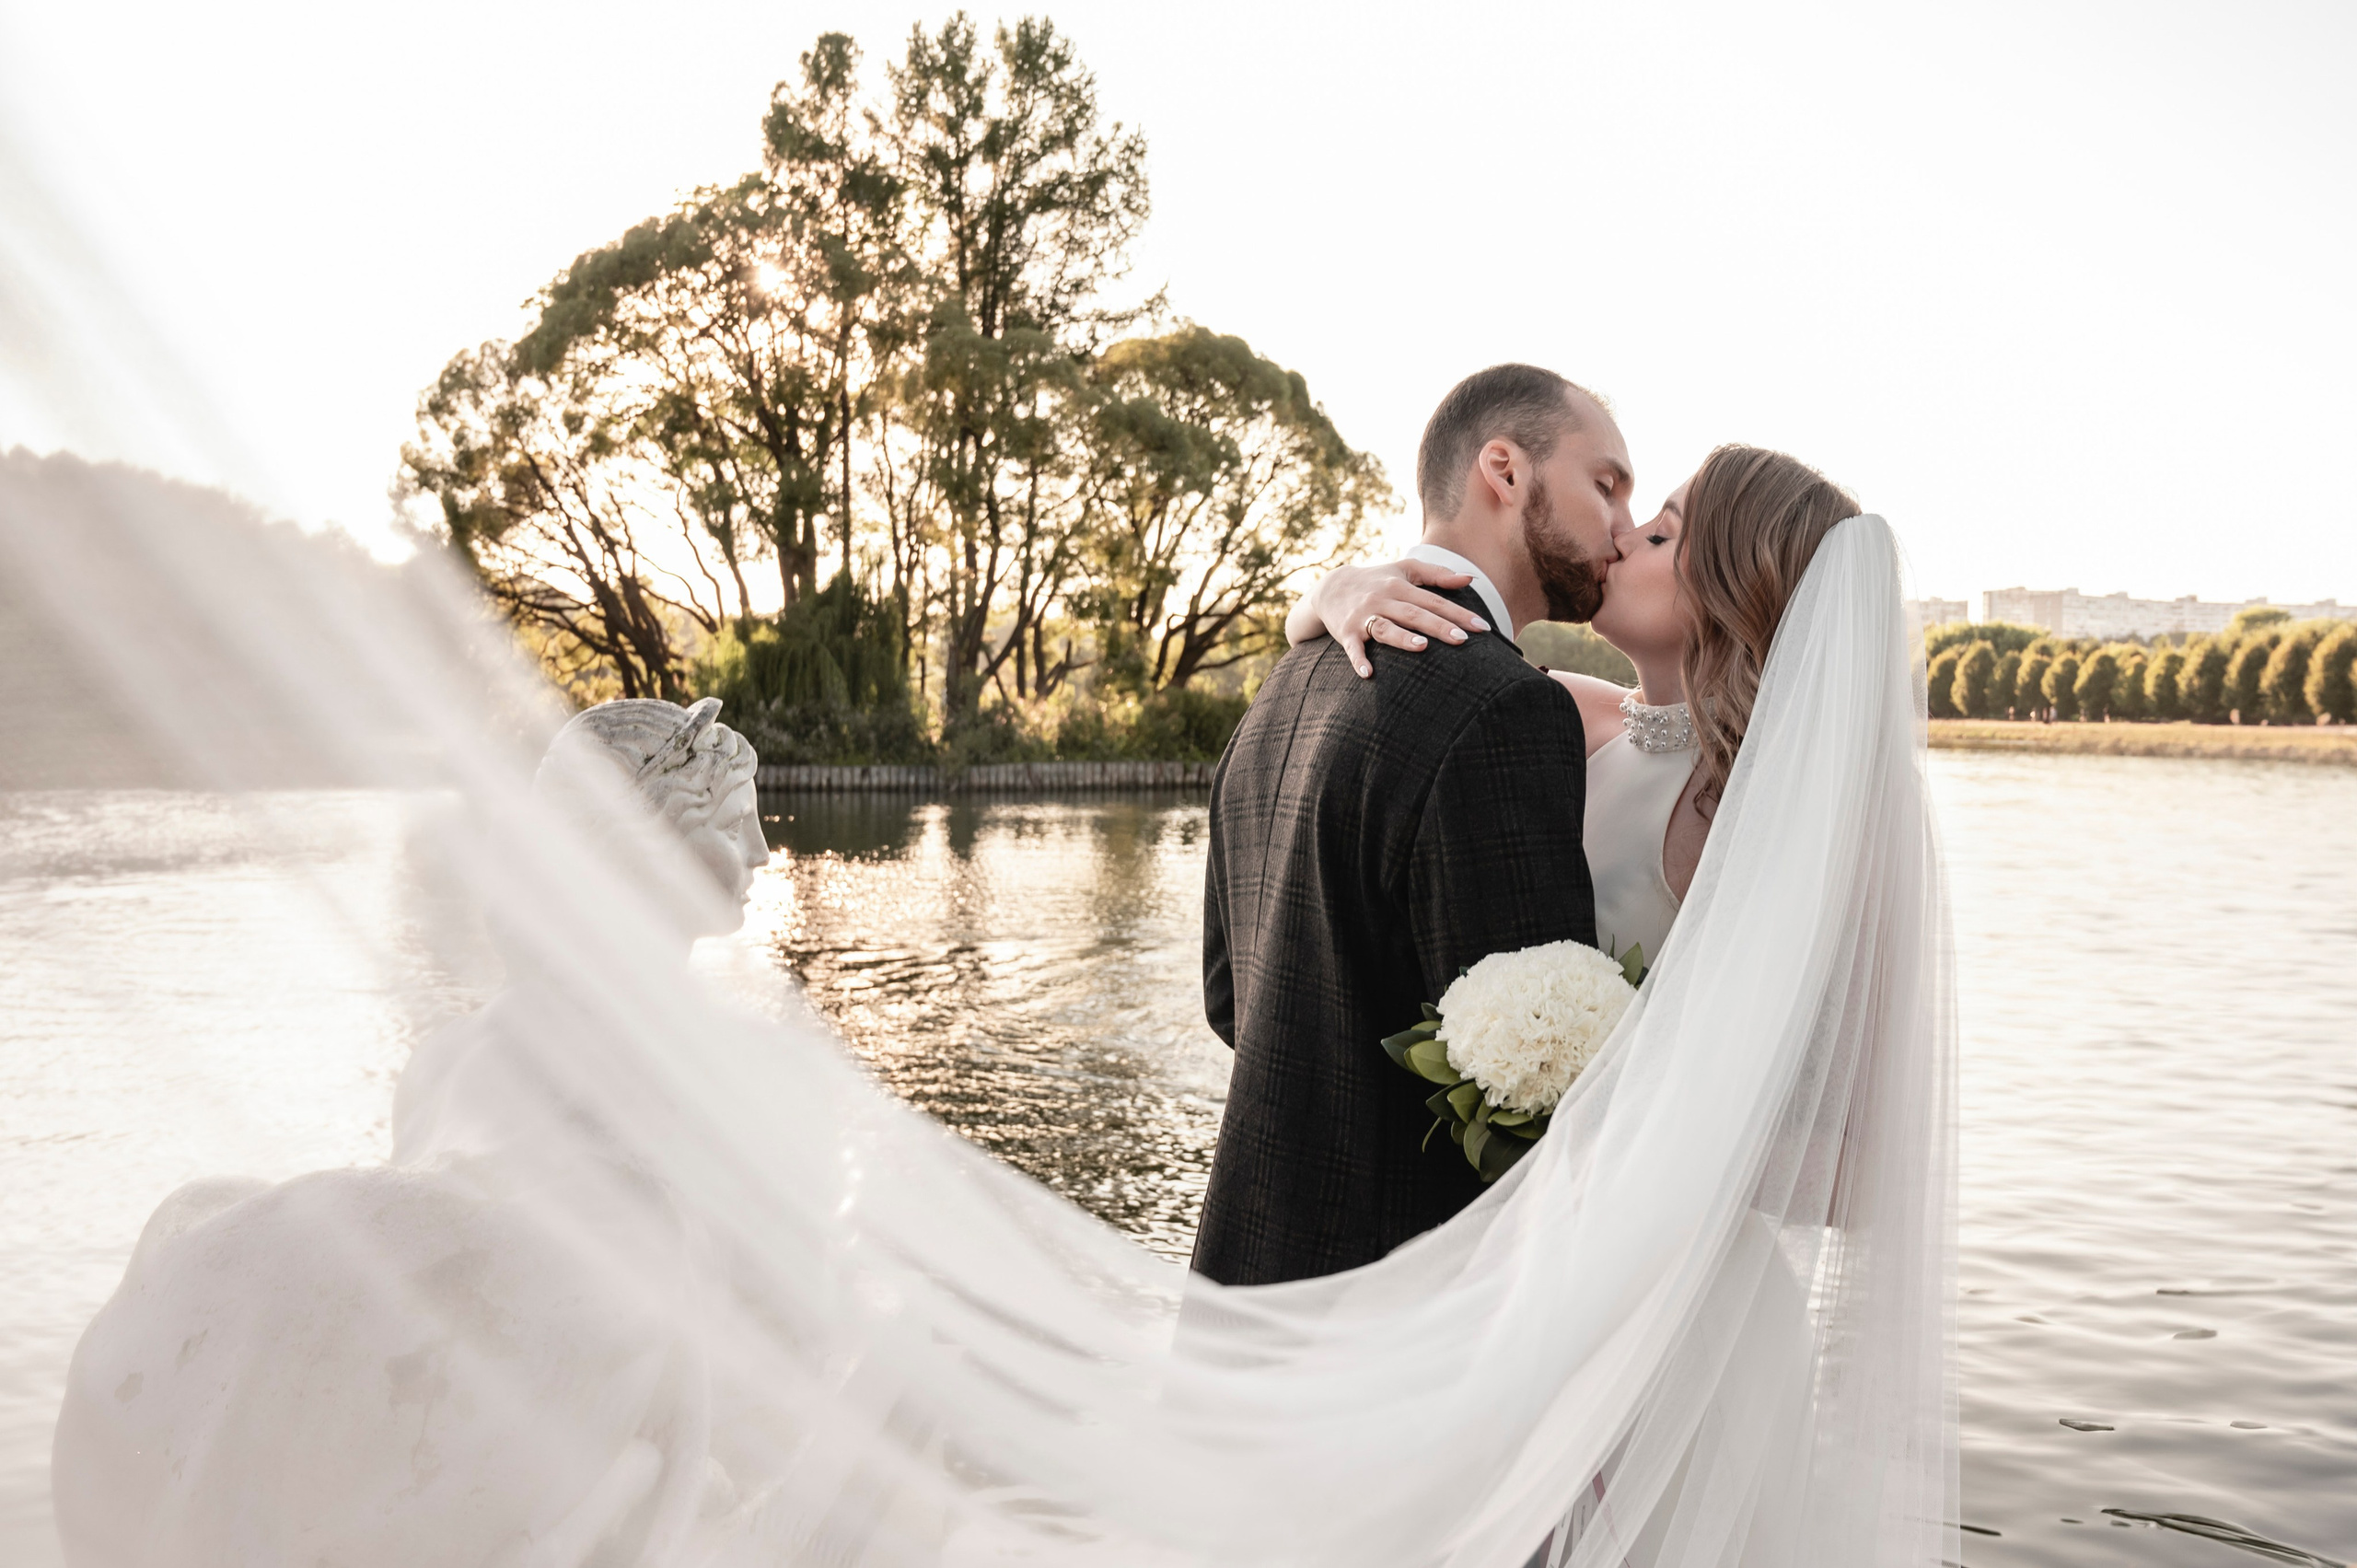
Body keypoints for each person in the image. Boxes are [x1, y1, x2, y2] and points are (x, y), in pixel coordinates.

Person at [1192, 363, 1632, 1287]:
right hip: (1400, 1297)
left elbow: (1230, 1000)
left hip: (1245, 1280)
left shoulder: (1284, 686)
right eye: (1606, 485)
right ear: (1504, 470)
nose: (1621, 528)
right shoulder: (1506, 707)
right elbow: (1529, 1094)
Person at [1286, 443, 1862, 970]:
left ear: (1735, 592)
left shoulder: (1755, 813)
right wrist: (1332, 590)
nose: (1622, 537)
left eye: (1660, 536)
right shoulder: (1549, 709)